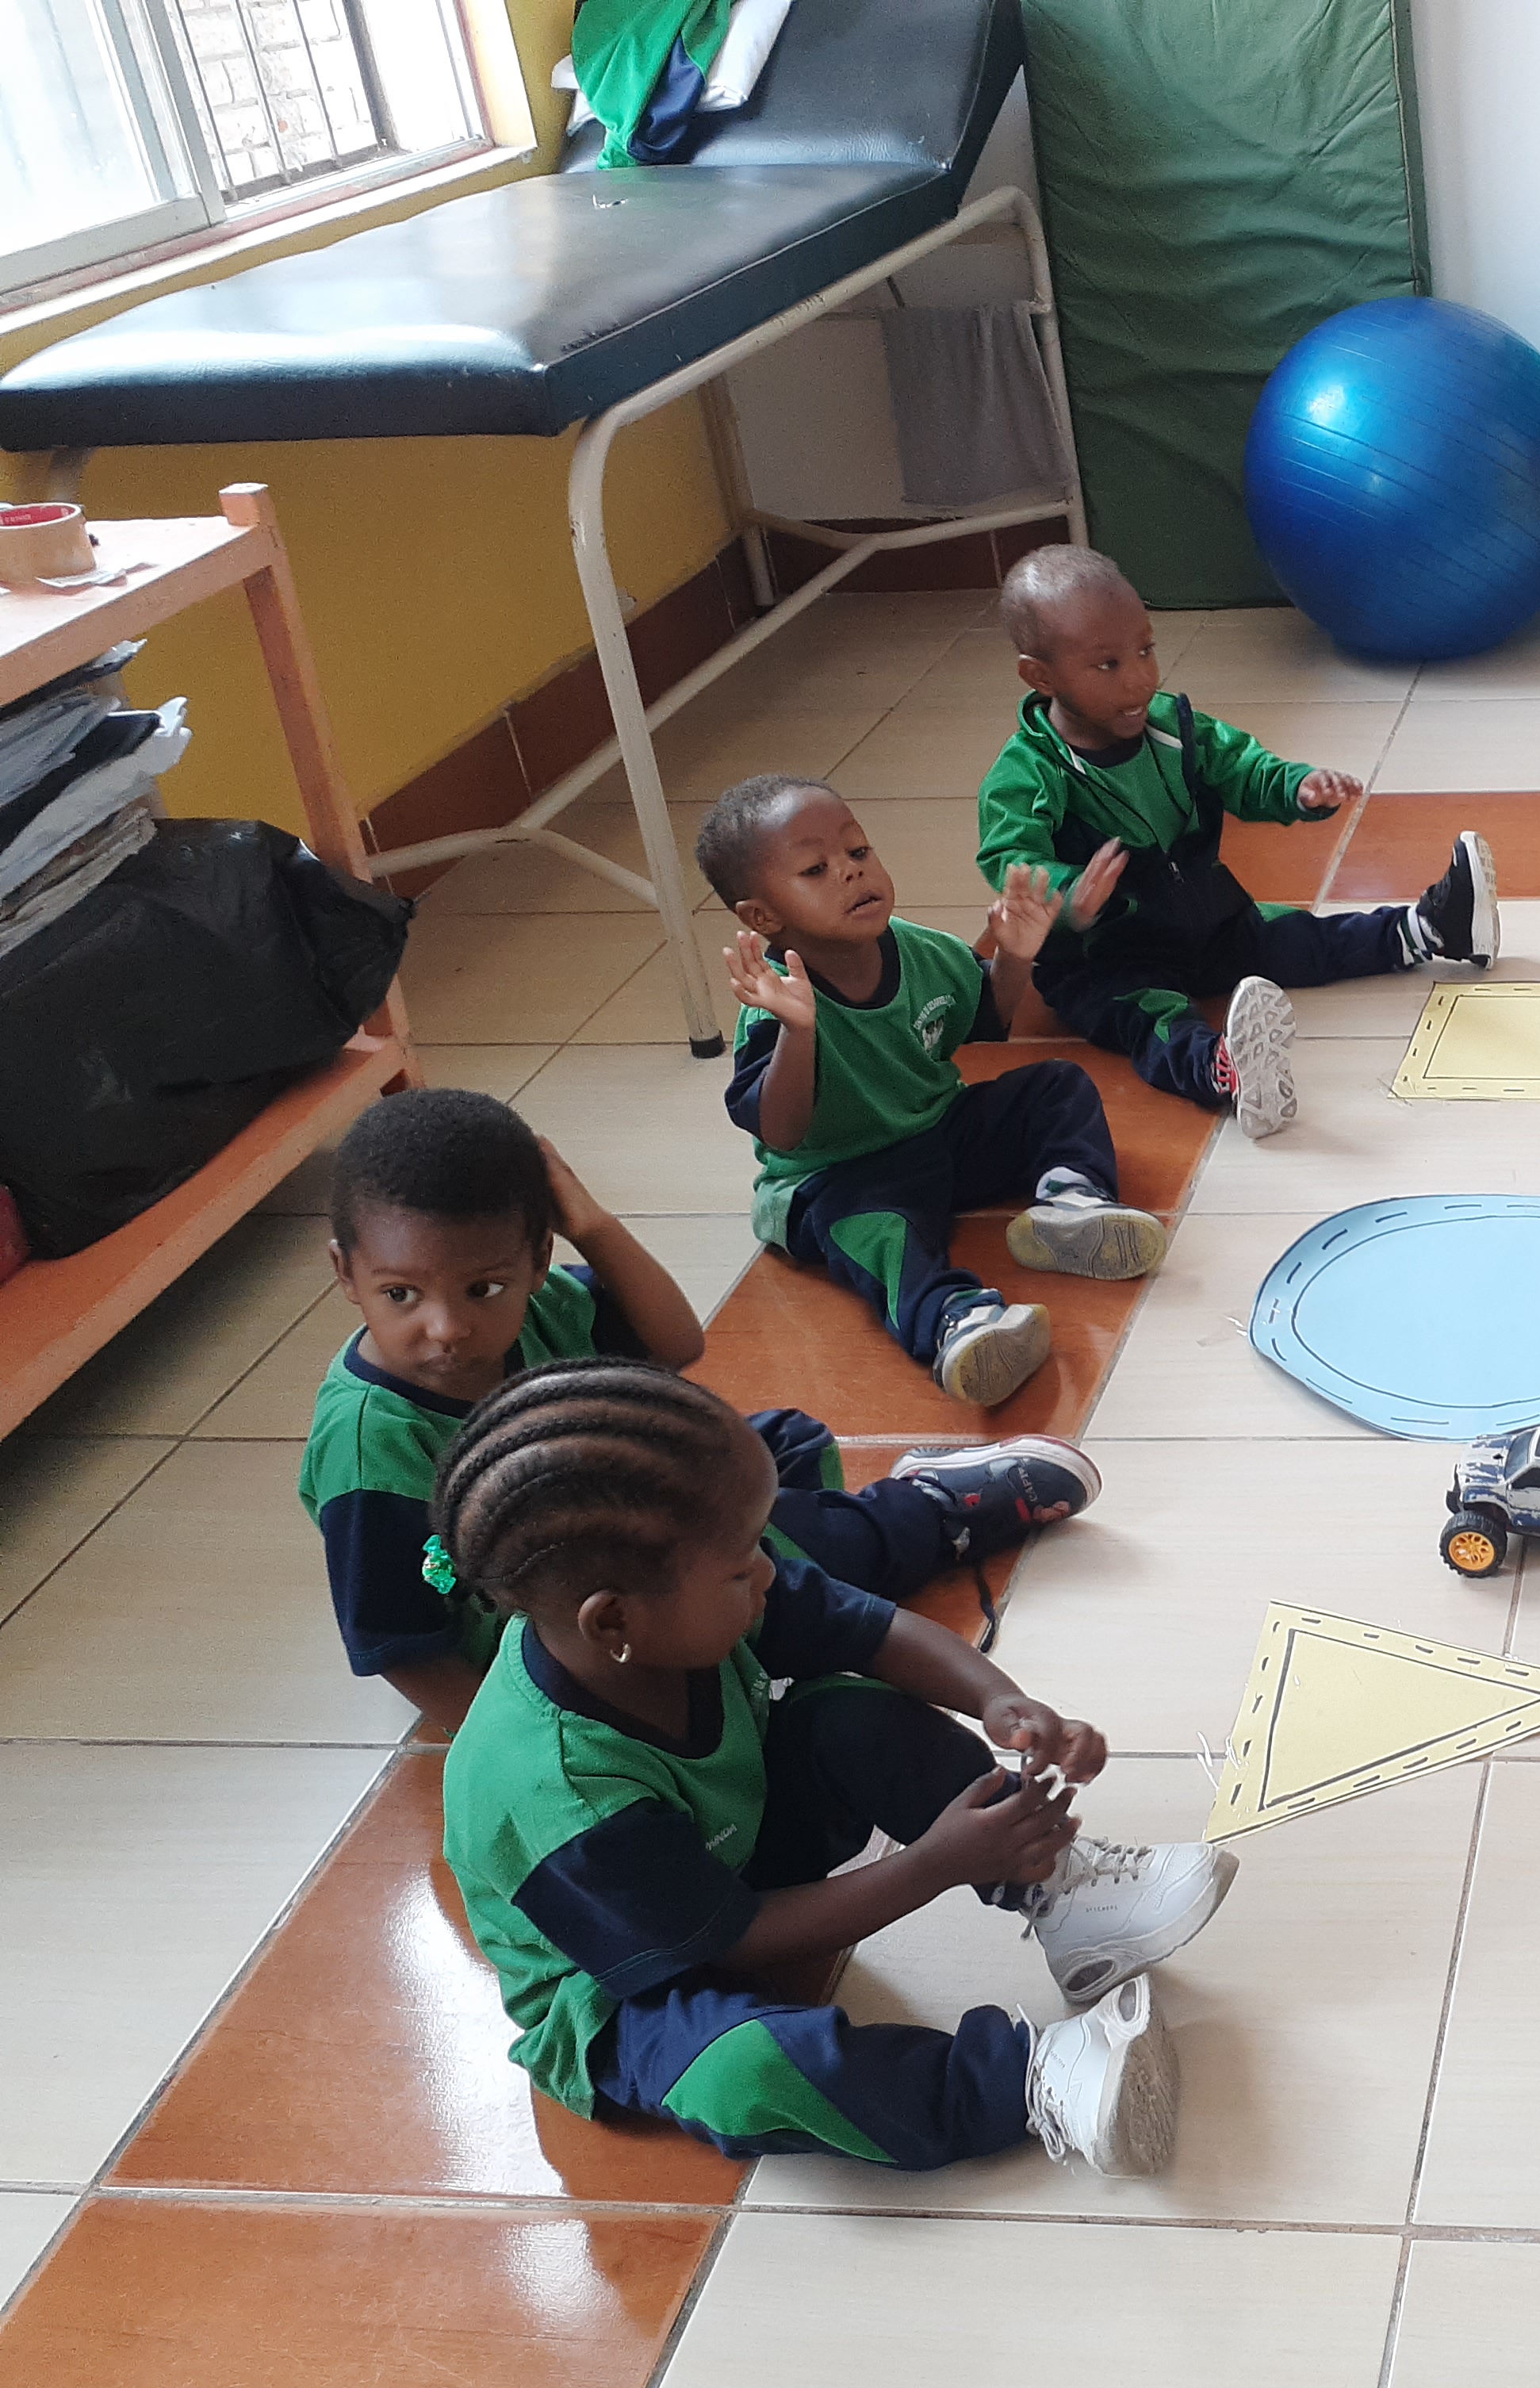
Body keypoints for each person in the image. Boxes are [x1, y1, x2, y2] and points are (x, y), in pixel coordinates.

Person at [435, 1359, 1235, 2175]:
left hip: (730, 1853)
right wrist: (937, 1863)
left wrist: (998, 1700)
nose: (767, 1569)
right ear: (612, 1623)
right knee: (741, 2072)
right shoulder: (558, 1795)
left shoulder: (685, 1601)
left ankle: (1055, 1888)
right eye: (740, 1564)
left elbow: (866, 1630)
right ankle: (1035, 2081)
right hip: (621, 1990)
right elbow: (733, 1940)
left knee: (850, 1713)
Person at [302, 1087, 1096, 1731]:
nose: (446, 1328)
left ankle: (839, 1530)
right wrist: (515, 1739)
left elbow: (676, 1344)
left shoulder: (542, 1307)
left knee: (777, 1471)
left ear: (538, 1260)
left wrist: (592, 1225)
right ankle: (920, 1510)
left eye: (483, 1288)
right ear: (346, 1274)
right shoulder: (371, 1445)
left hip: (612, 1530)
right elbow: (402, 1646)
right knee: (768, 1555)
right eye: (401, 1295)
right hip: (574, 1627)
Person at [975, 542, 1497, 1140]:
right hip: (1106, 961)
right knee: (1152, 1018)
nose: (1140, 676)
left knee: (1301, 936)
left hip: (1210, 923)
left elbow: (1244, 769)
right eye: (1107, 665)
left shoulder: (1176, 727)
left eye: (1145, 650)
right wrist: (1071, 898)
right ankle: (1224, 1072)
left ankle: (1433, 929)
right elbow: (1011, 858)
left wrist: (1297, 788)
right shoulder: (1028, 772)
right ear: (1040, 676)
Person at [701, 775, 1167, 1408]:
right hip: (840, 1177)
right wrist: (799, 1031)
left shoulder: (918, 948)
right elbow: (781, 1132)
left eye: (858, 851)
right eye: (816, 869)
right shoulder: (775, 1003)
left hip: (938, 1130)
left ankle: (1071, 1201)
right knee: (883, 1235)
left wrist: (1016, 956)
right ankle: (959, 1321)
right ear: (763, 917)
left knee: (1056, 1085)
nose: (851, 872)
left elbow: (989, 1017)